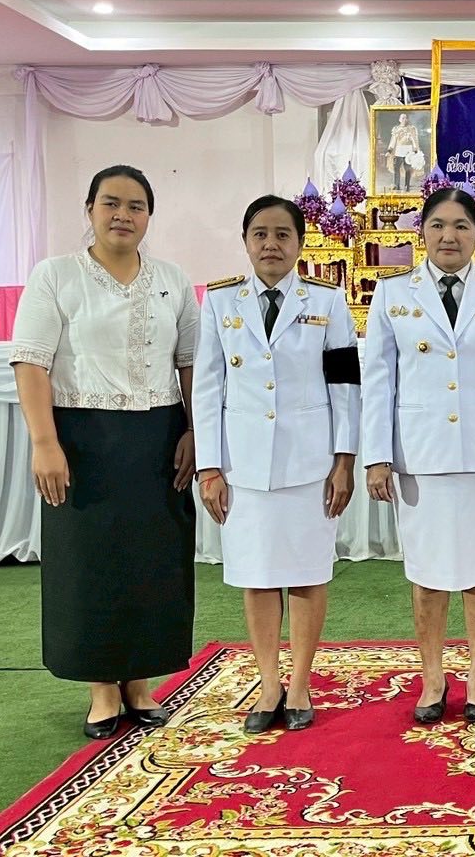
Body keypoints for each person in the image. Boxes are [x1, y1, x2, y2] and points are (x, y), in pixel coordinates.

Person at [10, 164, 199, 740]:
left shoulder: (172, 279)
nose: (123, 215)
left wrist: (196, 432)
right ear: (89, 209)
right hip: (81, 439)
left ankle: (140, 684)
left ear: (150, 215)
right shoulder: (56, 276)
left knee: (153, 560)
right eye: (111, 203)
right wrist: (45, 443)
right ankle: (101, 690)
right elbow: (31, 362)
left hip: (158, 438)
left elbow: (191, 365)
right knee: (89, 562)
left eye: (136, 205)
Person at [361, 187, 475, 725]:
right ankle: (433, 677)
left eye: (461, 226)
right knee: (428, 576)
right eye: (438, 225)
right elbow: (378, 381)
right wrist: (376, 456)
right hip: (421, 454)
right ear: (422, 234)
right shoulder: (392, 295)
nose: (449, 236)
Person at [192, 195, 361, 734]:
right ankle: (269, 683)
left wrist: (344, 460)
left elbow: (346, 387)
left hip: (310, 464)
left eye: (282, 234)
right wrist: (209, 468)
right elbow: (207, 389)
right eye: (260, 234)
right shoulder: (220, 303)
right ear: (245, 241)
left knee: (309, 574)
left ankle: (303, 682)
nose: (271, 244)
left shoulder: (328, 302)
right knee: (258, 577)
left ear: (300, 242)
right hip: (244, 468)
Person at [387, 113, 423, 193]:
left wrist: (416, 150)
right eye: (402, 118)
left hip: (408, 152)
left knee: (408, 169)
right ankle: (397, 185)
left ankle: (407, 186)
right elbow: (393, 141)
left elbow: (414, 140)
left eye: (405, 118)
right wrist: (389, 150)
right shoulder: (396, 129)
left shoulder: (411, 129)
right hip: (399, 151)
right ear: (399, 119)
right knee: (396, 168)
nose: (404, 120)